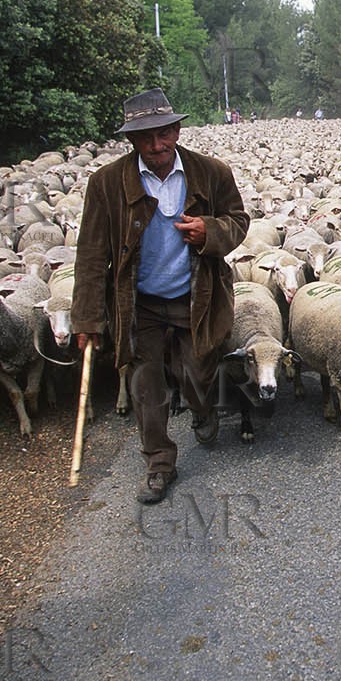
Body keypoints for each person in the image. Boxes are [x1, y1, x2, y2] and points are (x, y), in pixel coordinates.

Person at [71, 88, 248, 504]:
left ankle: (202, 408)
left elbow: (238, 221)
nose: (156, 146)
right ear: (131, 140)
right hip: (139, 302)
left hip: (196, 295)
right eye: (145, 138)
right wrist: (87, 319)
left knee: (197, 372)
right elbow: (92, 254)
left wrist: (211, 231)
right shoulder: (106, 184)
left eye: (164, 133)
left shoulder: (211, 173)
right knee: (144, 383)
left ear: (177, 129)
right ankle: (158, 462)